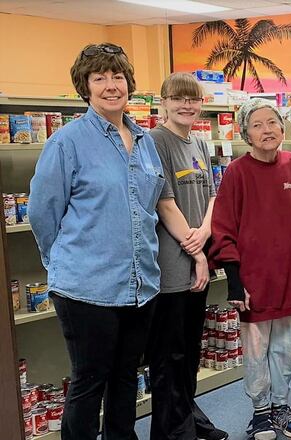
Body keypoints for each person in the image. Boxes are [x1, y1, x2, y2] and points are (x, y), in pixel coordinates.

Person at [28, 43, 164, 440]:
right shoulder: (67, 142)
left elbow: (150, 204)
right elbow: (42, 212)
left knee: (125, 377)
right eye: (99, 78)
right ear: (84, 87)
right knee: (89, 381)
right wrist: (61, 263)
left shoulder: (145, 141)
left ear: (129, 84)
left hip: (140, 286)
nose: (110, 85)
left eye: (117, 76)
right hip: (87, 287)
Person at [209, 99, 291, 440]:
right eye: (258, 125)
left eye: (273, 123)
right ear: (245, 133)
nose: (267, 130)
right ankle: (259, 412)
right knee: (256, 350)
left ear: (283, 127)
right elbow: (223, 229)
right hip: (254, 283)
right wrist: (235, 281)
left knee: (283, 348)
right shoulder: (237, 172)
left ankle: (281, 406)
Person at [146, 72, 227, 440]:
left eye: (193, 99)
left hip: (197, 256)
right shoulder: (154, 142)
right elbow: (164, 203)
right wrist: (197, 253)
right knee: (168, 353)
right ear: (163, 102)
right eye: (178, 98)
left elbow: (212, 196)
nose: (187, 105)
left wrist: (205, 236)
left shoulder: (198, 142)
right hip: (171, 264)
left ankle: (189, 417)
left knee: (191, 348)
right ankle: (170, 430)